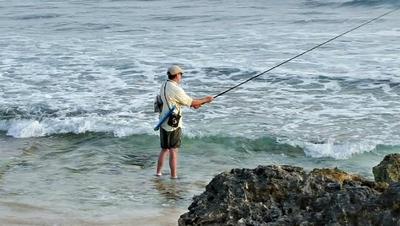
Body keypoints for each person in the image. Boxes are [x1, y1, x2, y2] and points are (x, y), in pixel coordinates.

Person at [156, 65, 213, 179]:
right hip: (173, 123)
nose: (181, 77)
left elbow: (174, 100)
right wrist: (206, 100)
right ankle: (174, 176)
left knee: (164, 149)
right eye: (181, 75)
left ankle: (158, 173)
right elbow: (190, 102)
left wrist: (194, 105)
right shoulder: (176, 88)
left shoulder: (164, 85)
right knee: (173, 150)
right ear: (177, 75)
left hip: (163, 121)